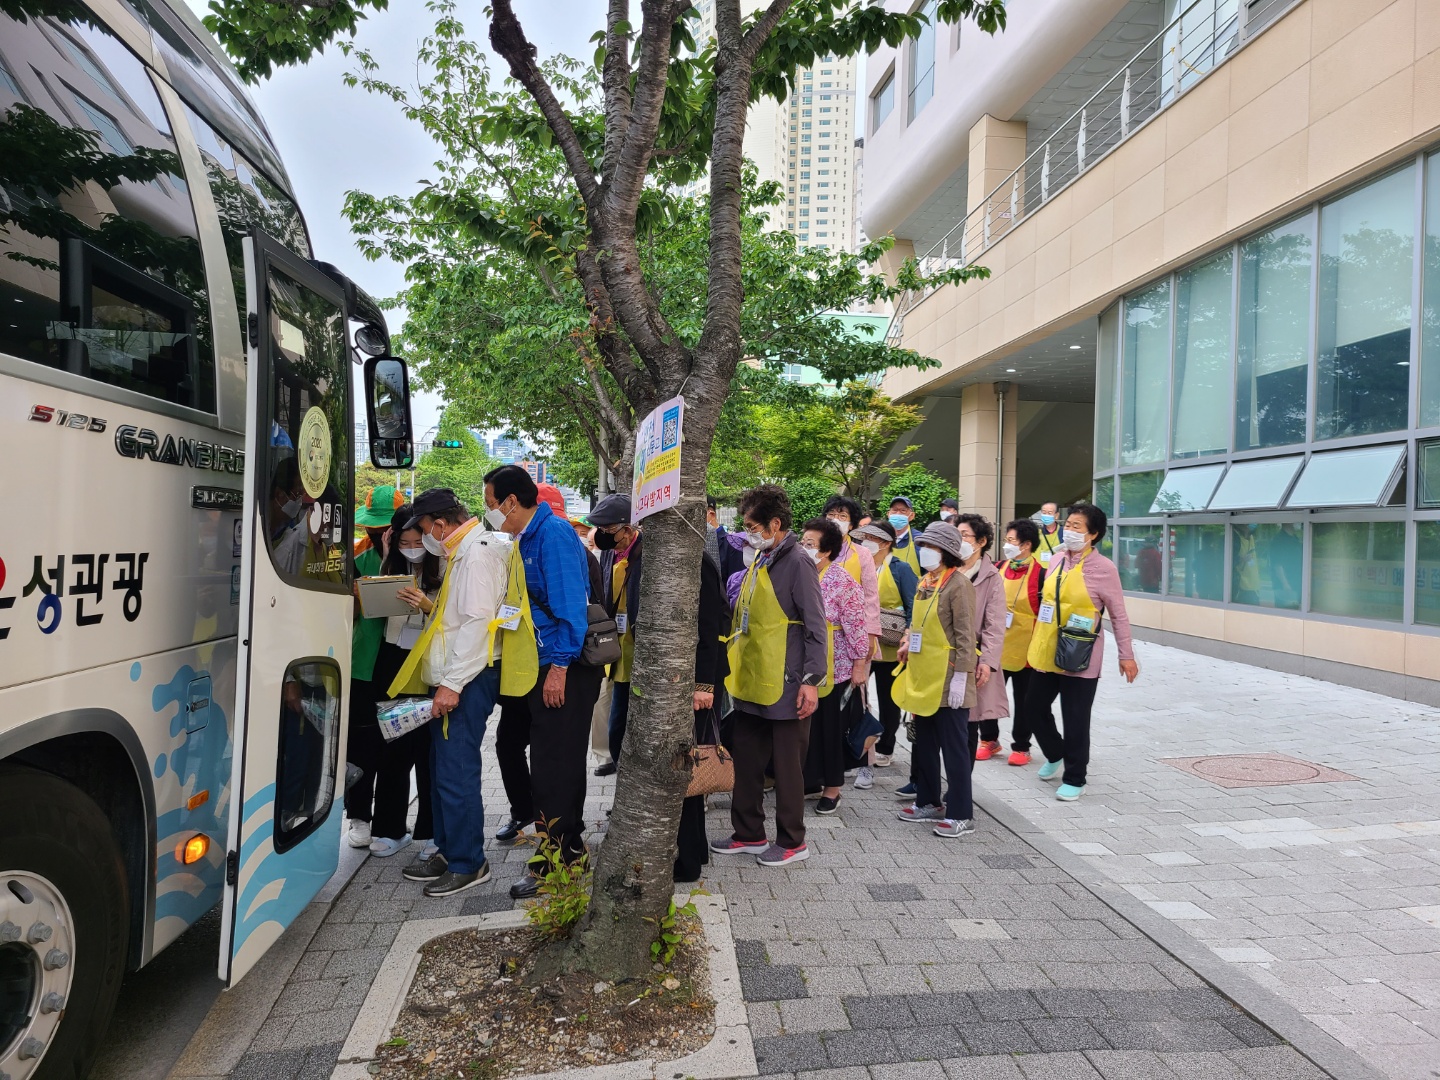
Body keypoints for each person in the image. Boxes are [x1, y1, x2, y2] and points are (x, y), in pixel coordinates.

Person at [483, 465, 602, 899]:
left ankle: (555, 860)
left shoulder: (552, 536)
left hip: (563, 667)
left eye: (492, 503)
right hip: (544, 664)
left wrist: (559, 669)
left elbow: (571, 607)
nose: (491, 511)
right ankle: (570, 849)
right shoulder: (525, 538)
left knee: (553, 766)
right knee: (560, 761)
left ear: (512, 501)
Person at [396, 488, 507, 896]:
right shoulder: (462, 552)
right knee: (442, 767)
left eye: (425, 530)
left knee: (456, 771)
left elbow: (477, 625)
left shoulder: (475, 554)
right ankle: (448, 849)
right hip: (454, 678)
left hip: (464, 679)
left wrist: (451, 684)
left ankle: (468, 862)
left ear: (441, 524)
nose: (426, 539)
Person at [711, 484, 827, 867]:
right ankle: (749, 833)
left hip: (787, 681)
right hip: (752, 678)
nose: (747, 533)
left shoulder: (797, 561)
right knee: (746, 757)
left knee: (788, 765)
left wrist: (811, 681)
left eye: (751, 525)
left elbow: (815, 625)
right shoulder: (763, 558)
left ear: (774, 524)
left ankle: (793, 840)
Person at [1025, 503, 1139, 801]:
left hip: (1081, 653)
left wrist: (1126, 654)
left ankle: (1076, 776)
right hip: (1047, 647)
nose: (1070, 530)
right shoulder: (1057, 560)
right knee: (1033, 708)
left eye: (1077, 526)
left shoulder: (1104, 569)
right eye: (1069, 524)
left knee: (1075, 717)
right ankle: (1055, 752)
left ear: (1094, 534)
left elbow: (1119, 615)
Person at [892, 523, 978, 838]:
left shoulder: (959, 584)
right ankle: (928, 801)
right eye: (923, 544)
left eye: (931, 545)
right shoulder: (925, 581)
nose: (924, 550)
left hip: (950, 676)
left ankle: (961, 813)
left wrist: (961, 676)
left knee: (954, 748)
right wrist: (906, 643)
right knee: (924, 742)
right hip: (924, 674)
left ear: (946, 552)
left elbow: (967, 635)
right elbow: (919, 623)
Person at [369, 506, 441, 857]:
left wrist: (428, 605)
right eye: (404, 542)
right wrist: (386, 561)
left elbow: (455, 622)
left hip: (428, 664)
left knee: (429, 753)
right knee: (393, 749)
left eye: (417, 541)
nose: (412, 548)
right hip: (394, 661)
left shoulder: (446, 565)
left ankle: (430, 829)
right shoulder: (390, 564)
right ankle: (388, 828)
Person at [799, 518, 871, 814]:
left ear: (827, 550)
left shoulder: (841, 580)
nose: (804, 549)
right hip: (804, 665)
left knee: (832, 729)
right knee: (810, 729)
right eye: (802, 543)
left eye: (810, 545)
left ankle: (833, 788)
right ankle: (811, 779)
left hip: (837, 666)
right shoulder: (800, 575)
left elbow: (856, 626)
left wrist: (858, 666)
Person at [343, 486, 397, 850]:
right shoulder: (355, 557)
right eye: (372, 531)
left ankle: (391, 822)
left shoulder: (419, 555)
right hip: (362, 663)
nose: (375, 536)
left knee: (394, 747)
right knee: (360, 745)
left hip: (400, 666)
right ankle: (359, 816)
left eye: (384, 530)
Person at [675, 552, 730, 883]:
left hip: (697, 682)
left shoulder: (698, 560)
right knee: (685, 764)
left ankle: (689, 856)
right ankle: (694, 848)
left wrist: (703, 685)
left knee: (688, 766)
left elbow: (710, 626)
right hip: (682, 679)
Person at [851, 521, 917, 770]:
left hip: (891, 648)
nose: (865, 540)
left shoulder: (901, 569)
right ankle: (860, 744)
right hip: (864, 647)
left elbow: (913, 606)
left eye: (871, 537)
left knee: (889, 701)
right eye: (863, 536)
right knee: (860, 699)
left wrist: (909, 633)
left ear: (886, 543)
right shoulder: (857, 564)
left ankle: (887, 746)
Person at [588, 494, 641, 777]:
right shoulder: (609, 553)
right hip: (613, 647)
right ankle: (615, 764)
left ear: (628, 530)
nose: (603, 537)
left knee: (624, 717)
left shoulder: (647, 553)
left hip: (638, 650)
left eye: (608, 531)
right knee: (611, 712)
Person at [955, 515, 1008, 764]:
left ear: (982, 541)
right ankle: (923, 782)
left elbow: (994, 626)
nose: (960, 540)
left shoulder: (992, 577)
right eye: (958, 534)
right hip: (940, 657)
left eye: (965, 535)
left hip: (971, 660)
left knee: (967, 726)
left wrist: (986, 661)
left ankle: (959, 791)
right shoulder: (946, 568)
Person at [995, 519, 1046, 766]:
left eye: (1011, 541)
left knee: (1024, 699)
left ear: (1026, 545)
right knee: (989, 694)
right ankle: (989, 739)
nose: (1007, 545)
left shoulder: (1042, 575)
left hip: (1026, 649)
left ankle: (1022, 745)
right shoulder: (998, 568)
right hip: (996, 645)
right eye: (1007, 540)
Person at [886, 496, 924, 575]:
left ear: (911, 516)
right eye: (894, 510)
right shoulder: (881, 538)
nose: (898, 513)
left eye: (903, 510)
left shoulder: (919, 540)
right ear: (888, 514)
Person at [1035, 501, 1062, 569]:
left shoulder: (1063, 533)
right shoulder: (1035, 533)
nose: (1046, 515)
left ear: (1056, 515)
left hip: (1056, 573)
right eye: (1044, 513)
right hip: (1038, 573)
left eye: (1049, 513)